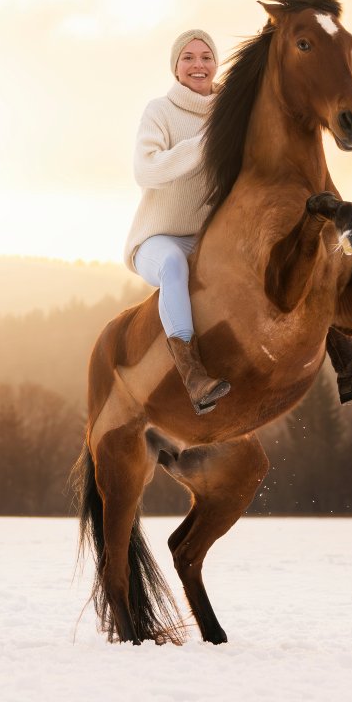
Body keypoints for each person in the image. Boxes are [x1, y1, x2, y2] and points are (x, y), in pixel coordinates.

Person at [122, 29, 232, 415]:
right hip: (158, 240)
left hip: (210, 239)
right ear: (175, 67)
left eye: (206, 56)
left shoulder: (231, 112)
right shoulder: (159, 111)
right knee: (172, 264)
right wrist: (204, 144)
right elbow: (145, 170)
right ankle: (193, 375)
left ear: (217, 64)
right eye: (188, 57)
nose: (198, 65)